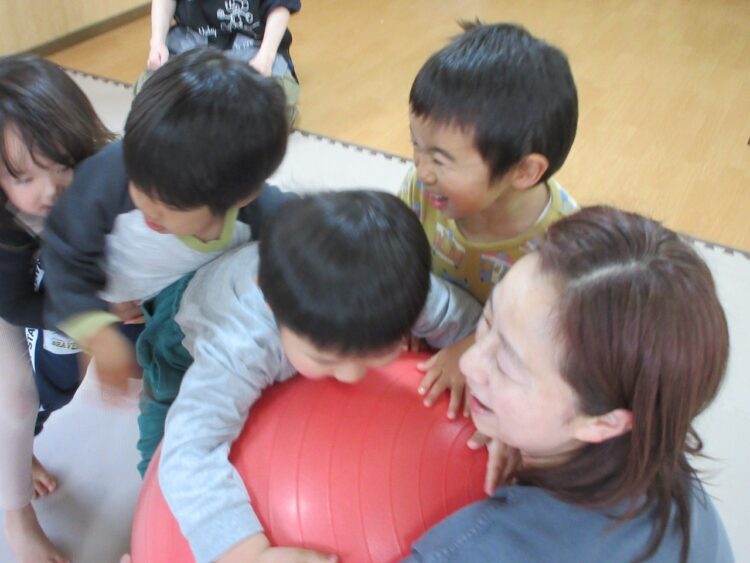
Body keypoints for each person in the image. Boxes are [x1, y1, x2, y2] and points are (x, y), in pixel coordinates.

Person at [136, 191, 482, 562]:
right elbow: (188, 451)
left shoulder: (400, 296)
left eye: (376, 355)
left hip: (266, 271)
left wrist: (465, 350)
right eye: (326, 359)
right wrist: (247, 554)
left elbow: (476, 324)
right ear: (274, 307)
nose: (351, 375)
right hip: (183, 333)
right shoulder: (240, 347)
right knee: (160, 446)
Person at [406, 206, 734, 562]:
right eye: (488, 319)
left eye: (506, 365)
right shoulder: (650, 434)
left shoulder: (467, 552)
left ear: (603, 423)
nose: (468, 363)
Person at [42, 47, 292, 398]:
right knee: (55, 378)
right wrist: (94, 326)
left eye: (168, 204)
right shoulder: (109, 175)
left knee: (148, 371)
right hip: (77, 296)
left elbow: (310, 228)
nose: (147, 206)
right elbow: (62, 249)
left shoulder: (257, 213)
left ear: (239, 199)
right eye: (138, 184)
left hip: (152, 308)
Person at [399, 21, 580, 419]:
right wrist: (401, 312)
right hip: (434, 332)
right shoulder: (424, 191)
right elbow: (397, 256)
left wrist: (471, 350)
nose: (422, 170)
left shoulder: (562, 245)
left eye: (440, 159)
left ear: (524, 171)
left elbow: (547, 343)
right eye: (416, 145)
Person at [0, 54, 115, 563]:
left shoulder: (102, 174)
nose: (49, 191)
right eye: (25, 178)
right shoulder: (7, 228)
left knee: (66, 377)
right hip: (8, 296)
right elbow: (16, 303)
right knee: (16, 400)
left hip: (45, 280)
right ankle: (17, 519)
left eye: (62, 166)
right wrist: (88, 319)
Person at [142, 0, 301, 123]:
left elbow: (280, 6)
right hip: (193, 42)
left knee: (273, 100)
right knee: (147, 96)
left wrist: (265, 57)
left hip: (250, 45)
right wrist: (157, 42)